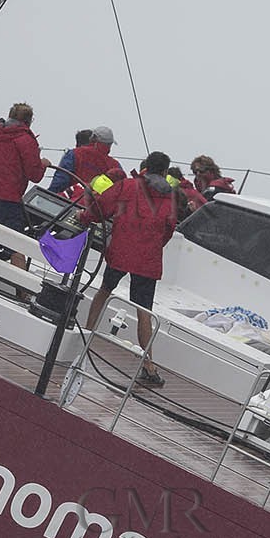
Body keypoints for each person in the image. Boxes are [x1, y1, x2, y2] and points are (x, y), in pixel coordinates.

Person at [79, 150, 180, 388]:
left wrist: (84, 218)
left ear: (145, 167)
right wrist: (153, 245)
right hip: (148, 259)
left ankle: (85, 334)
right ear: (165, 172)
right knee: (143, 310)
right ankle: (148, 365)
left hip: (121, 252)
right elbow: (168, 230)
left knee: (105, 290)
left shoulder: (127, 186)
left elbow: (100, 208)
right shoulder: (169, 198)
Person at [0, 102, 52, 272]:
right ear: (29, 121)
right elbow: (34, 175)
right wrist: (42, 164)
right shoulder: (26, 140)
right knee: (16, 244)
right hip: (9, 201)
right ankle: (22, 292)